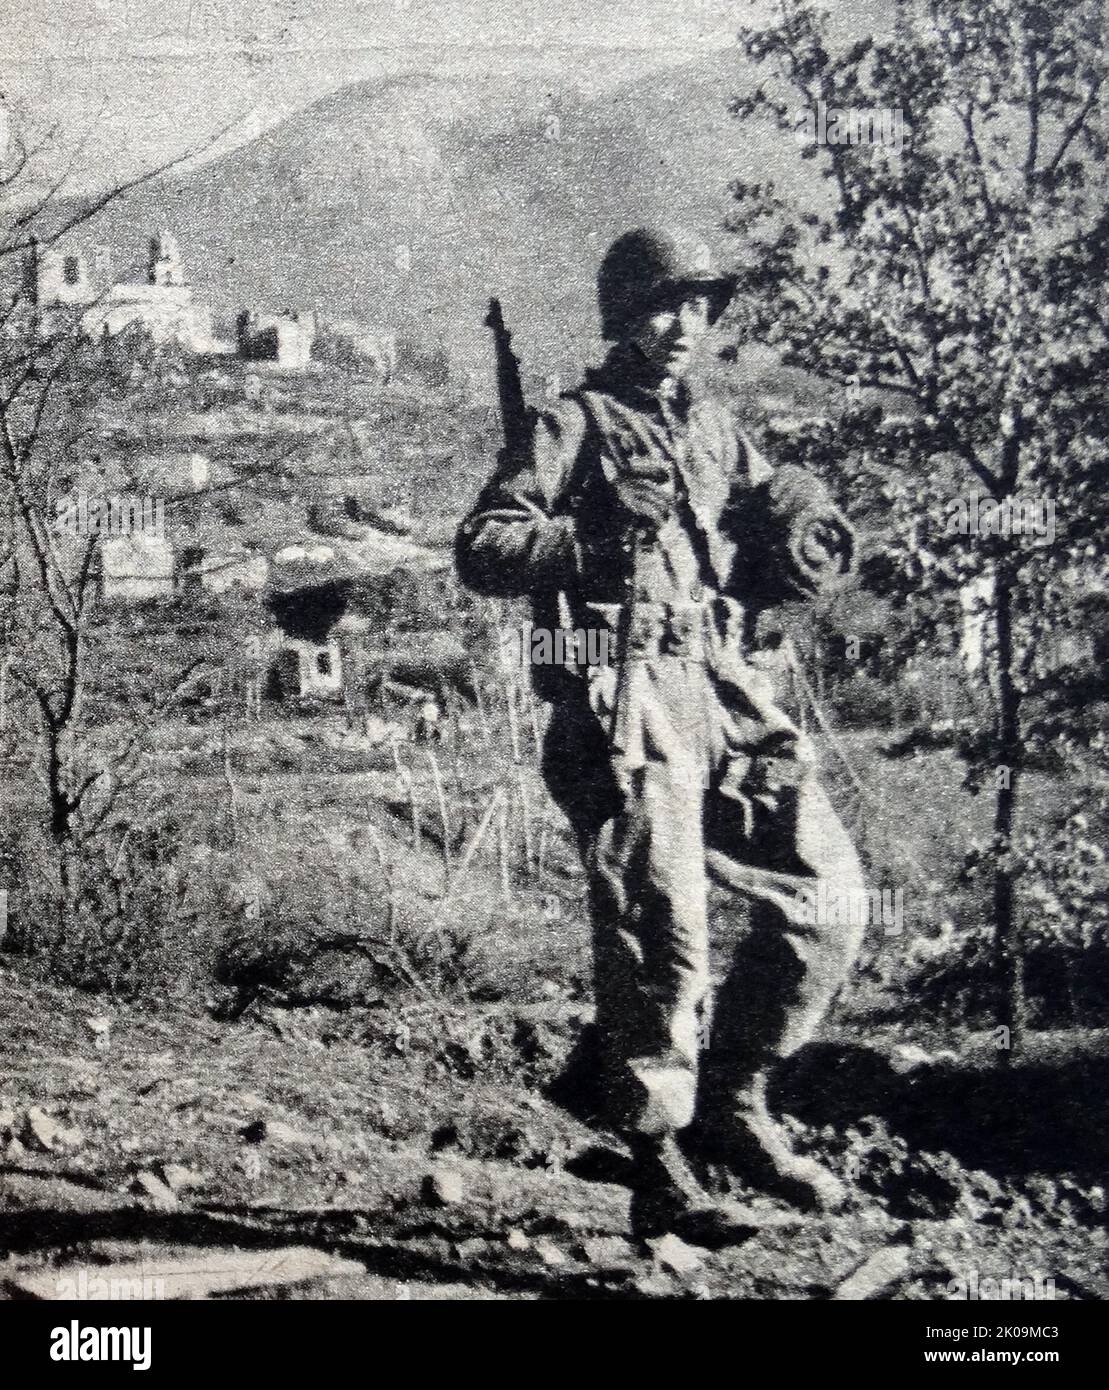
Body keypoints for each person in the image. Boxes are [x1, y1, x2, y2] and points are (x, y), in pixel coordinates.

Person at [456, 227, 865, 1242]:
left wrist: (804, 516)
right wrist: (583, 539)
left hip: (723, 685)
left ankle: (732, 1103)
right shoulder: (572, 422)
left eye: (697, 305)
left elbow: (773, 501)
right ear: (619, 314)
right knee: (661, 930)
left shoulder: (713, 425)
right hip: (625, 693)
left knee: (829, 897)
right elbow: (485, 544)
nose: (680, 325)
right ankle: (657, 1162)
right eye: (659, 304)